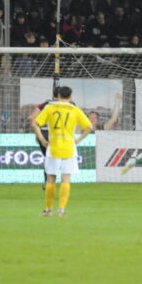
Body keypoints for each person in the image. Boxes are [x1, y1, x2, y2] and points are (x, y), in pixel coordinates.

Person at [32, 86, 93, 218]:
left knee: (50, 179)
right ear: (70, 97)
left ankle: (48, 210)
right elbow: (89, 127)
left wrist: (42, 139)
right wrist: (78, 140)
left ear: (58, 96)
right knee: (66, 178)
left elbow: (34, 123)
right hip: (69, 148)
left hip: (53, 147)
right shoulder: (75, 109)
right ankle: (61, 211)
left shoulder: (50, 108)